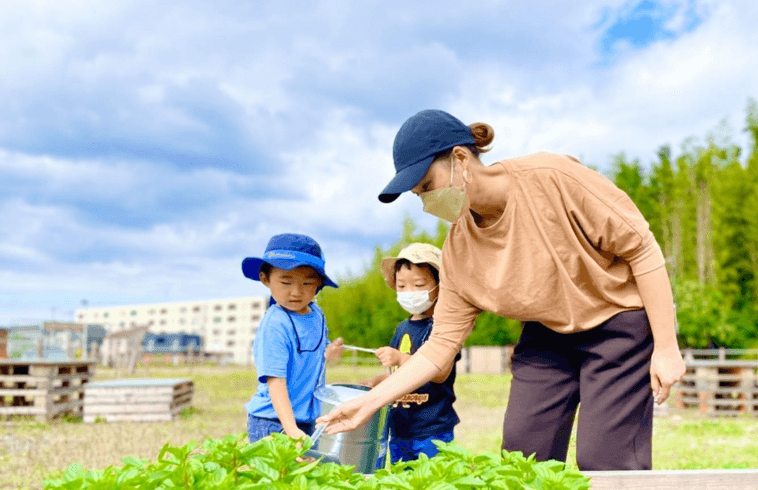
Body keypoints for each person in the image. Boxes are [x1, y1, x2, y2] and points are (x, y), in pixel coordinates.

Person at [319, 109, 686, 471]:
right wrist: (369, 404)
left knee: (604, 460)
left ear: (460, 159)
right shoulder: (460, 252)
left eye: (427, 186)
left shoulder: (551, 177)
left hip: (616, 322)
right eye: (419, 195)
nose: (428, 202)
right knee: (524, 456)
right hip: (548, 334)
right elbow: (439, 348)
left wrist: (667, 347)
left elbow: (641, 247)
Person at [360, 242, 460, 462]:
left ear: (440, 285)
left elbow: (440, 371)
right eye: (402, 286)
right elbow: (398, 374)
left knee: (432, 484)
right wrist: (376, 381)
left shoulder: (445, 327)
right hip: (400, 428)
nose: (409, 292)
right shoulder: (402, 329)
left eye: (419, 284)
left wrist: (401, 358)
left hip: (432, 429)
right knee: (402, 485)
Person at [242, 233, 344, 443]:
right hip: (273, 421)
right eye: (286, 282)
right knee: (277, 474)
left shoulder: (317, 315)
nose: (296, 292)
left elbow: (317, 349)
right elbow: (275, 381)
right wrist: (291, 429)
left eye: (307, 283)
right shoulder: (275, 325)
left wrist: (330, 351)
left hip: (307, 418)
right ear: (265, 279)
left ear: (319, 284)